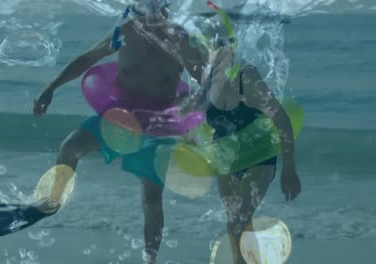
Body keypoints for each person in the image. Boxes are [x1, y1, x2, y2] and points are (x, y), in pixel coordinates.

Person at [32, 1, 231, 263]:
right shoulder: (125, 31)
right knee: (70, 147)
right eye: (141, 10)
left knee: (151, 199)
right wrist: (50, 88)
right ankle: (53, 201)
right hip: (117, 117)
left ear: (165, 10)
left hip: (156, 127)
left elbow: (208, 83)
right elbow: (88, 58)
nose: (147, 18)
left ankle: (150, 259)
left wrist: (203, 121)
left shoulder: (181, 41)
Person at [204, 44, 302, 263]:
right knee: (237, 223)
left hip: (259, 155)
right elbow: (204, 121)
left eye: (221, 46)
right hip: (226, 158)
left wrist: (289, 170)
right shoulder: (208, 78)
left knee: (239, 219)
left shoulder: (247, 77)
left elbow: (283, 121)